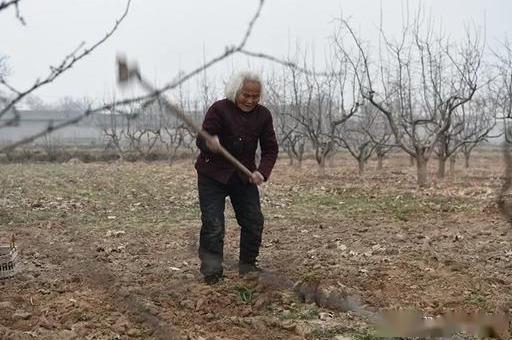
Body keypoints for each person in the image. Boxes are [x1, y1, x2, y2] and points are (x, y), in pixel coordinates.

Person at [194, 71, 278, 285]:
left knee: (254, 221)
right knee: (213, 224)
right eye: (245, 95)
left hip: (243, 176)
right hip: (212, 175)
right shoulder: (219, 109)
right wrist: (209, 142)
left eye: (255, 96)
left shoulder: (263, 115)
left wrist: (262, 171)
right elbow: (202, 139)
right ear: (235, 91)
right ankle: (212, 274)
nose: (250, 100)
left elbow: (270, 149)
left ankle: (248, 267)